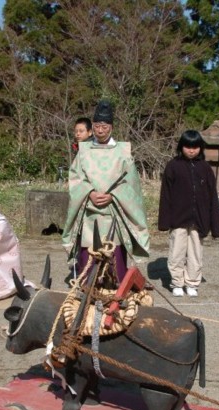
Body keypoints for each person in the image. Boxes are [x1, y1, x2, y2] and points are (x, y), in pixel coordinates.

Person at [62, 100, 150, 283]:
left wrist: (113, 195)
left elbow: (131, 184)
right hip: (89, 213)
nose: (100, 130)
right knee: (89, 258)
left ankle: (114, 296)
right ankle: (87, 291)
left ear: (111, 127)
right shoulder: (84, 151)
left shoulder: (123, 152)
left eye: (104, 126)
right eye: (97, 126)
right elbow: (76, 178)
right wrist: (89, 192)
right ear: (92, 126)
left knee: (114, 258)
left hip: (114, 212)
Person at [158, 130, 219, 297]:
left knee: (195, 253)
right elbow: (165, 195)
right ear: (181, 147)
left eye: (195, 147)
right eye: (188, 146)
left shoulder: (205, 168)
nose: (191, 150)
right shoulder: (173, 166)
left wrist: (215, 226)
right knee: (176, 252)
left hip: (199, 220)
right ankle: (177, 282)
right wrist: (164, 222)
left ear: (200, 148)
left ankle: (192, 282)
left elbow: (212, 198)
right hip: (177, 218)